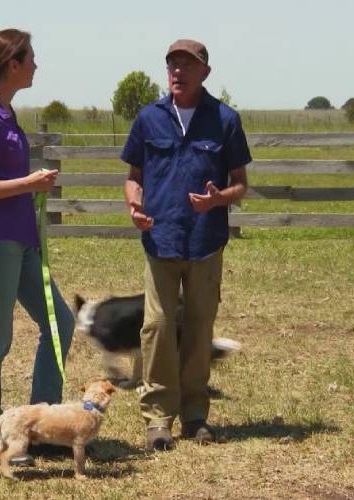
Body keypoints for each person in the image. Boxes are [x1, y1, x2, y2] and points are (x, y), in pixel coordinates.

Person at [121, 39, 251, 451]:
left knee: (199, 326)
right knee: (157, 326)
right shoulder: (149, 119)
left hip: (205, 241)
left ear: (205, 73)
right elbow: (133, 176)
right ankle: (157, 417)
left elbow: (241, 185)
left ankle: (196, 415)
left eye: (187, 65)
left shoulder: (225, 119)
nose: (178, 71)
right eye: (172, 65)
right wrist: (133, 205)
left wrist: (218, 200)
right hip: (160, 237)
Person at [0, 28, 75, 460]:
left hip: (22, 241)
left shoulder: (6, 114)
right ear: (13, 65)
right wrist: (29, 182)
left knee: (60, 323)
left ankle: (41, 426)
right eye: (31, 58)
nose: (36, 66)